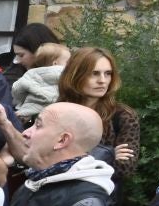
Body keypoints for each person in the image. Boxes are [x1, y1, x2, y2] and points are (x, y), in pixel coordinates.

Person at [56, 46, 140, 191]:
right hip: (53, 192)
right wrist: (108, 154)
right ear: (76, 75)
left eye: (108, 73)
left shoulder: (123, 115)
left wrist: (69, 157)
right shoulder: (58, 110)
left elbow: (125, 169)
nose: (102, 80)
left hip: (97, 199)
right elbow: (43, 157)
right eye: (94, 73)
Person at [12, 41, 70, 121]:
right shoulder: (65, 74)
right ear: (55, 63)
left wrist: (21, 100)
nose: (70, 65)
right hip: (56, 112)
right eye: (68, 62)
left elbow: (16, 89)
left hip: (30, 110)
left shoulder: (31, 73)